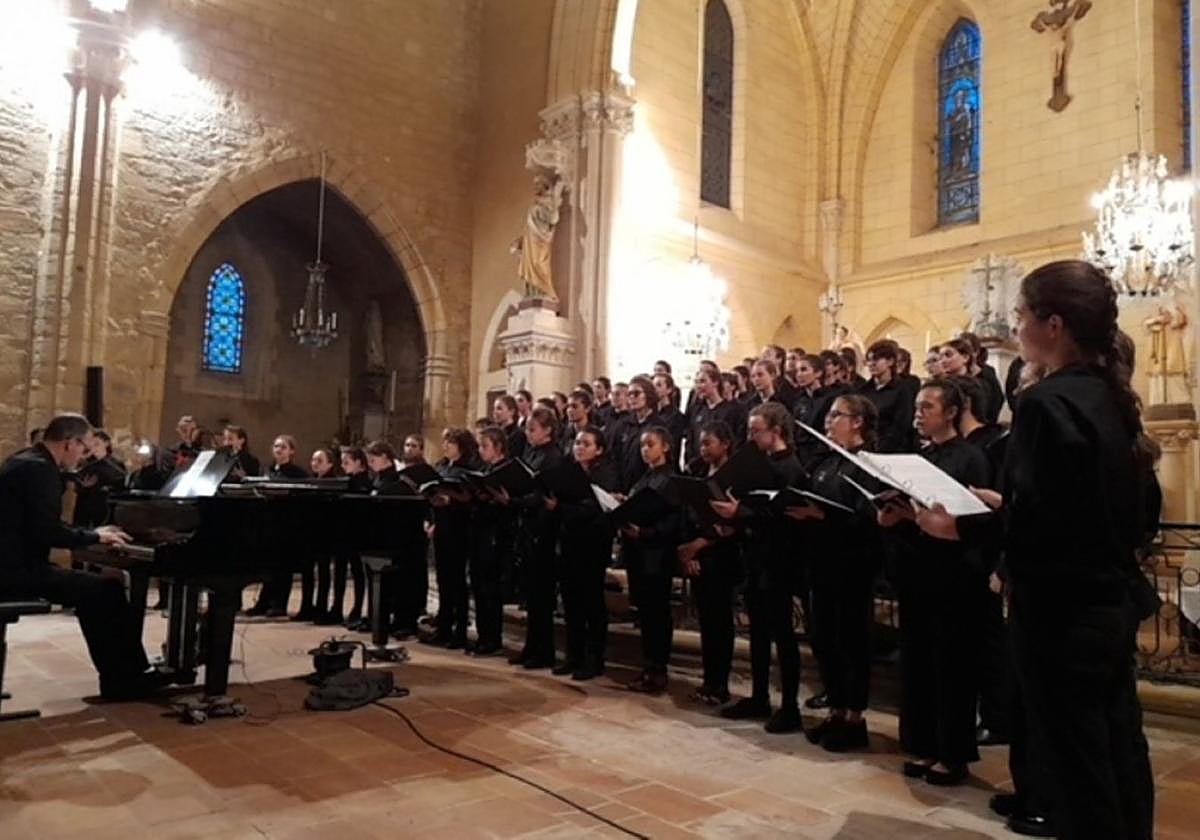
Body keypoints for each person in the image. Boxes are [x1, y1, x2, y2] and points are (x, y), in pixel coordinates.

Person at [916, 261, 1155, 840]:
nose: (1017, 328)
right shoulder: (1109, 397)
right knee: (1118, 748)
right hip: (1108, 601)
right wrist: (1008, 505)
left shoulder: (1047, 403)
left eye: (1021, 317)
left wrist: (964, 529)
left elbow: (1043, 528)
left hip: (1060, 611)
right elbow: (1122, 511)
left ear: (1053, 324)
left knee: (1075, 766)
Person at [0, 414, 165, 700]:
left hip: (13, 563)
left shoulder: (26, 460)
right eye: (84, 449)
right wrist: (96, 536)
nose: (83, 457)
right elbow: (47, 532)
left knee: (98, 590)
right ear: (69, 443)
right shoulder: (40, 470)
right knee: (106, 591)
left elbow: (41, 525)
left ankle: (125, 675)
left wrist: (90, 533)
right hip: (15, 571)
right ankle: (126, 680)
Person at [878, 379, 989, 786]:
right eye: (918, 407)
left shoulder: (971, 458)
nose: (918, 414)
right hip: (920, 572)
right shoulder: (921, 458)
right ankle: (925, 746)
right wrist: (894, 518)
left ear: (951, 412)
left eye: (927, 407)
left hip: (955, 577)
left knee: (952, 668)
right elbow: (920, 517)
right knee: (920, 664)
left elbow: (976, 521)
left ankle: (952, 754)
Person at [712, 403, 806, 734]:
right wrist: (734, 522)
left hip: (779, 560)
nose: (751, 437)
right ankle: (759, 696)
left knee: (782, 635)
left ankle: (790, 706)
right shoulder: (759, 464)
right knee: (758, 633)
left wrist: (741, 514)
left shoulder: (791, 468)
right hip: (754, 556)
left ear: (776, 432)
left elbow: (786, 518)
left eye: (756, 431)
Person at [797, 395, 884, 752]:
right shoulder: (827, 462)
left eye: (836, 416)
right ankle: (835, 710)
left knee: (851, 641)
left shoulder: (872, 465)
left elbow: (870, 517)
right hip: (821, 562)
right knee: (824, 638)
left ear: (858, 421)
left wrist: (825, 517)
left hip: (853, 564)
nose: (828, 422)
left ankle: (853, 718)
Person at [677, 421, 740, 704]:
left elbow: (729, 525)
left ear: (725, 444)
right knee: (706, 621)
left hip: (722, 555)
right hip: (698, 556)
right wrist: (691, 553)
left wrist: (696, 547)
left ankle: (720, 683)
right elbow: (691, 514)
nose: (702, 448)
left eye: (708, 443)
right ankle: (708, 681)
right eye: (701, 443)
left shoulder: (734, 477)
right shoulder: (698, 472)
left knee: (721, 622)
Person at [618, 426, 682, 694]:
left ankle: (658, 669)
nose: (645, 449)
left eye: (651, 444)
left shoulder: (671, 479)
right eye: (643, 445)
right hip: (639, 553)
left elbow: (674, 521)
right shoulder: (645, 477)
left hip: (657, 554)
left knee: (657, 612)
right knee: (645, 612)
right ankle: (648, 666)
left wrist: (645, 531)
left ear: (665, 447)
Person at [554, 425, 620, 680]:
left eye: (586, 444)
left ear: (599, 449)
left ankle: (594, 659)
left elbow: (598, 509)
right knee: (571, 601)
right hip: (570, 540)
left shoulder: (606, 475)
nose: (579, 447)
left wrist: (564, 507)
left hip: (593, 544)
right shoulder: (569, 473)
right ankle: (574, 656)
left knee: (591, 601)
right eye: (577, 443)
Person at [508, 406, 564, 669]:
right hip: (529, 526)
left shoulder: (553, 456)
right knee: (531, 595)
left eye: (533, 429)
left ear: (548, 430)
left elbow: (543, 491)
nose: (528, 434)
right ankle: (531, 646)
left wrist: (514, 500)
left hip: (544, 530)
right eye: (527, 428)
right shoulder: (531, 452)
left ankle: (544, 651)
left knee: (541, 596)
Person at [426, 428, 478, 648]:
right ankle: (444, 626)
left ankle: (459, 630)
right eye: (444, 442)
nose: (445, 446)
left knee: (457, 581)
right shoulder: (441, 467)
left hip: (459, 529)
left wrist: (451, 501)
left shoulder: (468, 471)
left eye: (450, 442)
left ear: (462, 446)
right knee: (443, 579)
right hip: (442, 527)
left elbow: (471, 501)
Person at [470, 428, 511, 656]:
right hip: (480, 532)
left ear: (498, 447)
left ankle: (492, 638)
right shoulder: (485, 470)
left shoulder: (506, 471)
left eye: (485, 446)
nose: (480, 450)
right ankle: (483, 635)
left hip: (496, 535)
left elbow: (511, 504)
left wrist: (498, 500)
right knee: (479, 587)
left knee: (490, 589)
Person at [303, 448, 341, 624]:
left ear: (330, 464)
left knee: (324, 572)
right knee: (308, 570)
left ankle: (322, 607)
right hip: (312, 531)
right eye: (313, 460)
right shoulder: (311, 482)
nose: (315, 463)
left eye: (319, 460)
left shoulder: (332, 484)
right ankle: (307, 606)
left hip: (327, 533)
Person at [334, 446, 371, 627]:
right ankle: (336, 607)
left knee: (358, 572)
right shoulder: (346, 481)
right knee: (339, 570)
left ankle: (357, 609)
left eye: (346, 462)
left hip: (359, 532)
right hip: (343, 532)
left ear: (358, 462)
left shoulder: (366, 482)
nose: (343, 465)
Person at [862, 339, 915, 453]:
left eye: (876, 359)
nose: (871, 364)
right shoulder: (863, 390)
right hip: (864, 448)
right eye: (869, 360)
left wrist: (880, 449)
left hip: (891, 450)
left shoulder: (903, 390)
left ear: (890, 361)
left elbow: (901, 426)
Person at [609, 375, 661, 492]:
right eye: (629, 394)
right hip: (621, 486)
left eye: (636, 393)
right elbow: (613, 457)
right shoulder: (623, 424)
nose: (632, 397)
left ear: (648, 394)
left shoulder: (658, 425)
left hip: (645, 489)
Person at [684, 367, 746, 465]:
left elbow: (736, 440)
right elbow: (690, 439)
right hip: (697, 466)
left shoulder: (731, 411)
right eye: (696, 382)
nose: (699, 386)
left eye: (703, 381)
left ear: (715, 382)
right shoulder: (696, 410)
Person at [652, 372, 687, 451]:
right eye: (653, 386)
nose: (654, 389)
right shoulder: (652, 413)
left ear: (669, 389)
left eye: (659, 385)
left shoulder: (676, 416)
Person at [560, 389, 593, 458]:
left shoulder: (594, 434)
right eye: (568, 406)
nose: (570, 410)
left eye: (574, 406)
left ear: (587, 409)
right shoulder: (563, 432)